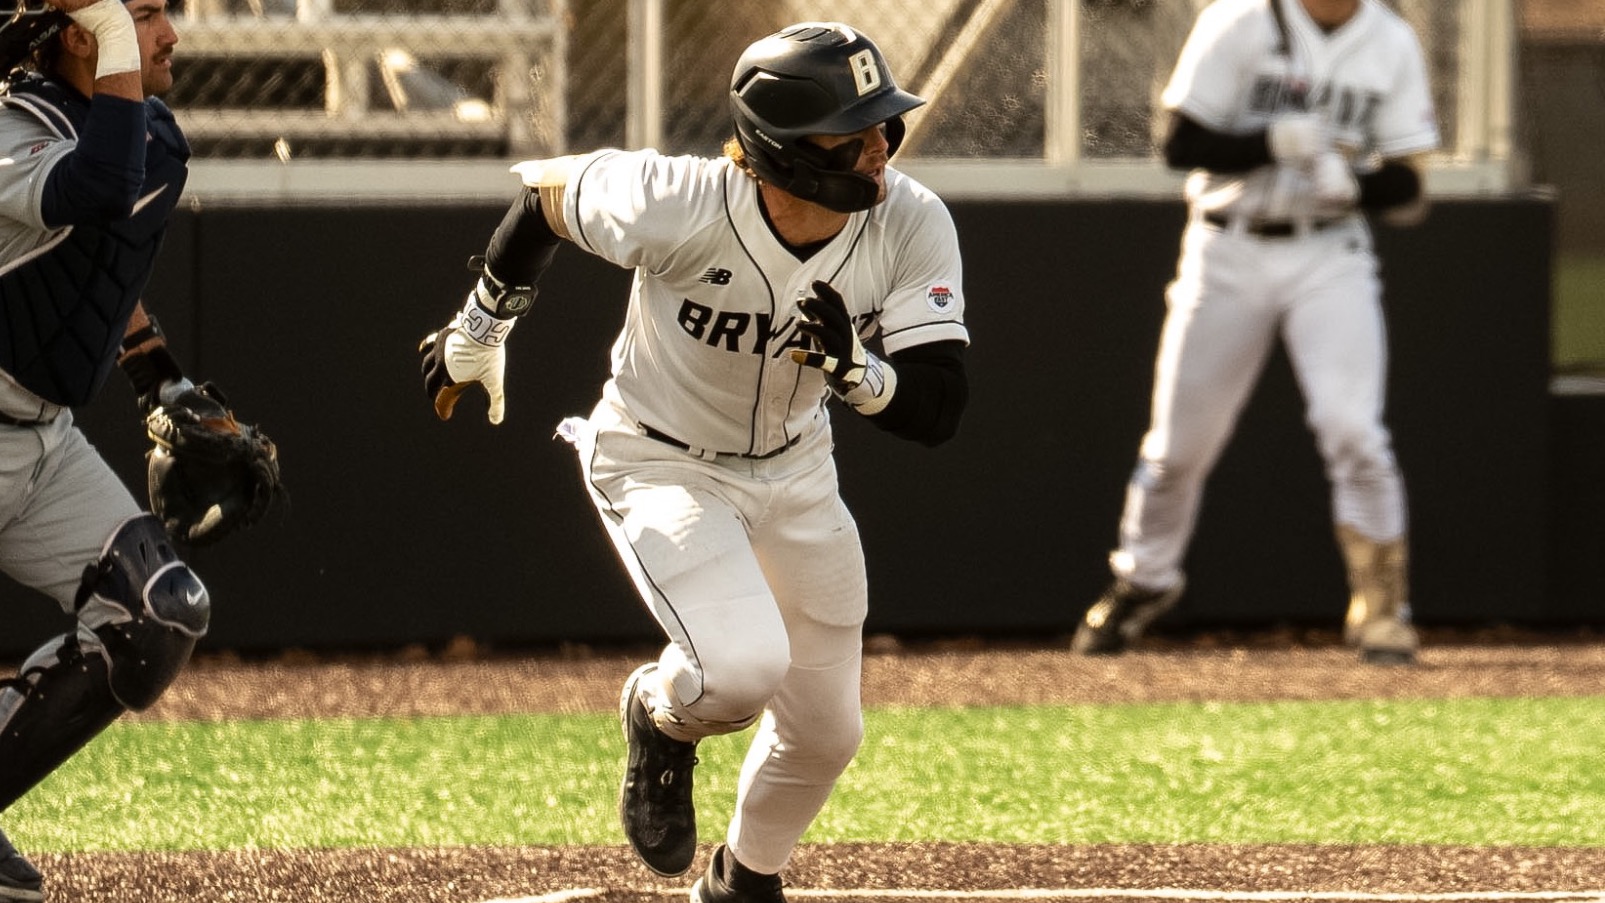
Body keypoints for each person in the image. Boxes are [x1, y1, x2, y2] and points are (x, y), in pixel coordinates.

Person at [419, 21, 968, 902]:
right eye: (852, 130)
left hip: (796, 467)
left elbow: (937, 406)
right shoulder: (679, 199)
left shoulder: (909, 218)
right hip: (658, 458)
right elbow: (544, 200)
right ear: (784, 149)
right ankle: (661, 716)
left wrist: (856, 370)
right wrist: (480, 328)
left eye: (882, 123)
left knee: (828, 732)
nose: (879, 145)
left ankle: (741, 881)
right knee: (740, 669)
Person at [1069, 0, 1440, 665]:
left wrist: (1356, 185)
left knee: (1353, 430)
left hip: (1328, 251)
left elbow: (1410, 184)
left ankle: (1383, 606)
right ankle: (1143, 579)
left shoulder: (1389, 40)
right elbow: (1179, 144)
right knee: (1177, 446)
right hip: (1227, 249)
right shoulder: (1238, 20)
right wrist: (1269, 143)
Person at [0, 0, 272, 898]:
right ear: (83, 34)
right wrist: (108, 18)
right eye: (144, 15)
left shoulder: (141, 132)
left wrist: (161, 379)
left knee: (159, 613)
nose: (170, 34)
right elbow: (97, 188)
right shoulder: (12, 131)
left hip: (41, 436)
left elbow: (93, 271)